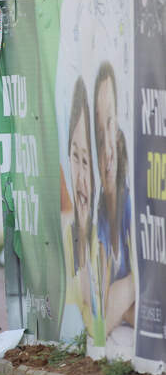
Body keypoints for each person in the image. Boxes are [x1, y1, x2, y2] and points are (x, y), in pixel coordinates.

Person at [59, 77, 104, 344]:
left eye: (86, 160)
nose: (80, 177)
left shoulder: (110, 239)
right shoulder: (68, 234)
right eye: (75, 157)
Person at [93, 62, 135, 337]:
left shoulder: (133, 207)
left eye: (111, 124)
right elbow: (100, 312)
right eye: (100, 131)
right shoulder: (101, 214)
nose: (107, 146)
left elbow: (104, 319)